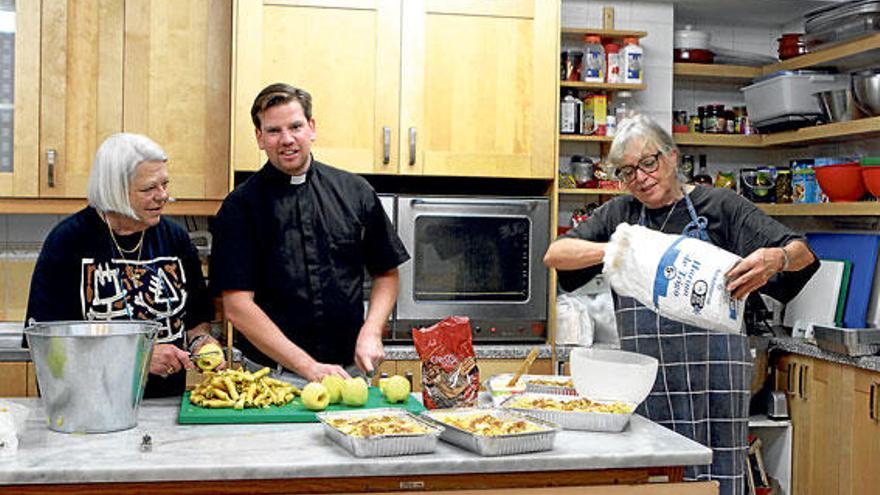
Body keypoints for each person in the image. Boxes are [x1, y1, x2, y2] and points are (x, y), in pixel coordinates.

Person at [544, 115, 818, 495]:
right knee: (656, 477)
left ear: (672, 157)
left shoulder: (721, 206)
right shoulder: (621, 215)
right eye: (627, 172)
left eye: (648, 163)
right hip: (647, 381)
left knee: (716, 474)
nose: (639, 178)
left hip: (716, 380)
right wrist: (619, 249)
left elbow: (802, 251)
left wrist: (777, 259)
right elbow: (556, 254)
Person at [209, 83, 409, 387]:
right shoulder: (240, 207)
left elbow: (387, 274)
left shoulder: (356, 192)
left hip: (351, 374)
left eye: (296, 126)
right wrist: (308, 367)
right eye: (274, 131)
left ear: (311, 128)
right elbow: (237, 306)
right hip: (271, 378)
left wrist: (371, 331)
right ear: (259, 138)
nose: (287, 139)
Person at [25, 133, 223, 398]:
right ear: (114, 189)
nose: (162, 196)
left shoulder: (175, 239)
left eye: (165, 184)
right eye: (148, 189)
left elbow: (196, 320)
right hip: (88, 409)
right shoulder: (67, 243)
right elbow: (48, 346)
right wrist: (139, 357)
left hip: (164, 406)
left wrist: (200, 342)